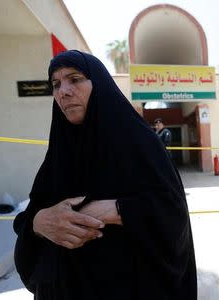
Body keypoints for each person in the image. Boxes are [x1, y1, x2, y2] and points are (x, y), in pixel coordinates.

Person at [13, 50, 197, 300]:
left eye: (74, 79)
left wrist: (114, 210)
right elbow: (29, 215)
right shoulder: (59, 153)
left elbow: (172, 214)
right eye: (55, 84)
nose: (63, 91)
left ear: (98, 84)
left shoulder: (140, 143)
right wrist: (39, 223)